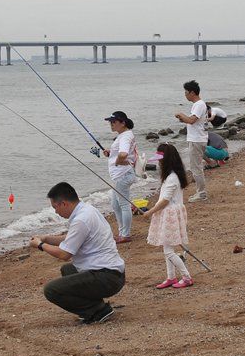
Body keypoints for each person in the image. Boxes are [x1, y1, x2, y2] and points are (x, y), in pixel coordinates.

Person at [31, 182, 126, 324]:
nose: (56, 212)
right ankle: (95, 306)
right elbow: (71, 239)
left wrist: (40, 245)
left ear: (64, 203)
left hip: (108, 277)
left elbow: (64, 254)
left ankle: (97, 310)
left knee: (51, 290)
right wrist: (47, 238)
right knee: (68, 269)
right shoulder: (87, 210)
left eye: (55, 207)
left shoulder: (81, 219)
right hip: (112, 273)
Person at [139, 144, 193, 289]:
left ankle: (186, 277)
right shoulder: (172, 175)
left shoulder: (172, 178)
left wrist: (150, 212)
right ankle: (171, 277)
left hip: (169, 214)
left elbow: (165, 200)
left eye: (160, 159)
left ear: (167, 159)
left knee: (169, 250)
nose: (158, 162)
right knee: (166, 247)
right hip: (169, 212)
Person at [101, 111, 137, 244]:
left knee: (123, 205)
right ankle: (122, 232)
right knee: (115, 204)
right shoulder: (123, 135)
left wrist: (117, 161)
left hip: (123, 175)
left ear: (123, 123)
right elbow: (121, 153)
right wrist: (111, 154)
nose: (111, 124)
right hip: (121, 175)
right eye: (110, 122)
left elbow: (123, 154)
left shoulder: (125, 137)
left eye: (114, 122)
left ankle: (126, 234)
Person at [174, 80, 208, 202]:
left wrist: (181, 115)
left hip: (197, 139)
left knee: (196, 168)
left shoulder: (199, 104)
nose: (185, 94)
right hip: (198, 138)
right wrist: (184, 119)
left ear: (192, 93)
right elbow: (193, 121)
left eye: (186, 92)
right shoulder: (199, 104)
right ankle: (200, 192)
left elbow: (192, 120)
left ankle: (202, 193)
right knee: (197, 167)